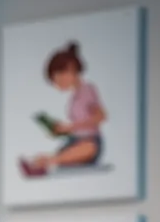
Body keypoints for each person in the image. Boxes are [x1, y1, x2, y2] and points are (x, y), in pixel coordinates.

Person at [20, 41, 107, 177]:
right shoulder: (74, 97)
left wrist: (70, 127)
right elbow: (77, 127)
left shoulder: (88, 91)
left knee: (83, 150)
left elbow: (101, 117)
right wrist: (60, 130)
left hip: (90, 141)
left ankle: (43, 164)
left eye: (59, 80)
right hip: (76, 139)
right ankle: (38, 163)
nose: (58, 85)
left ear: (70, 70)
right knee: (61, 154)